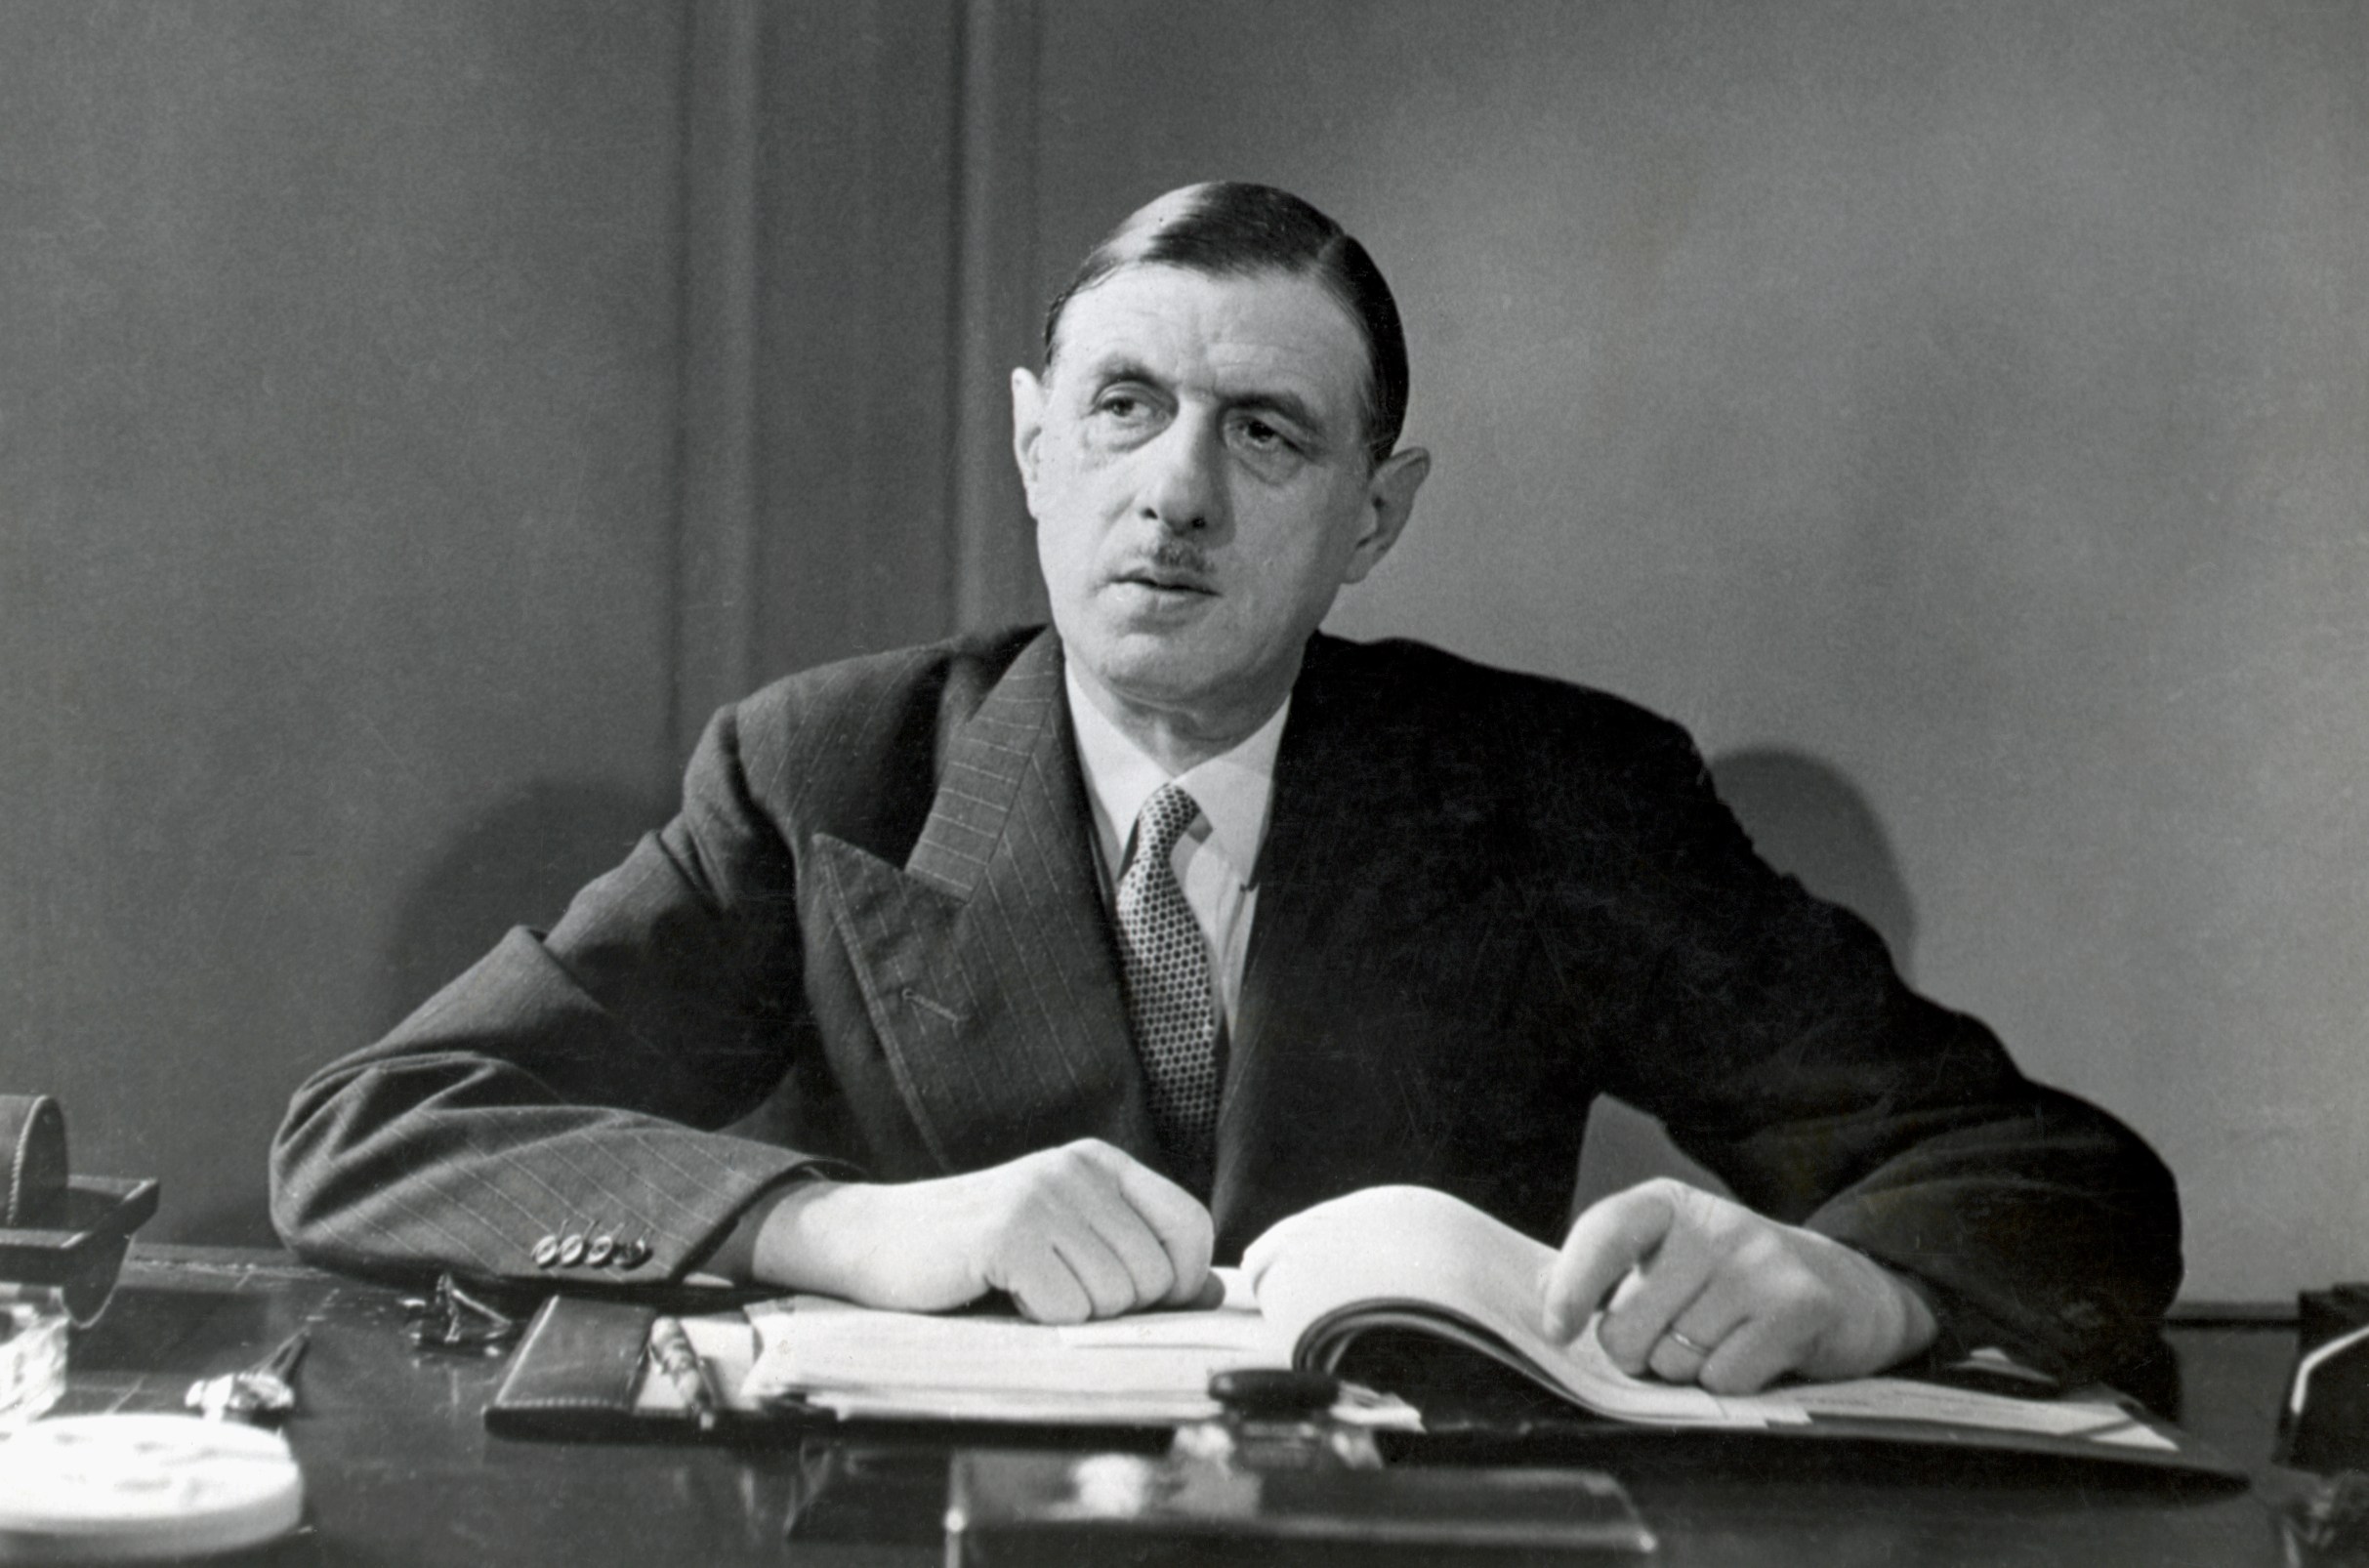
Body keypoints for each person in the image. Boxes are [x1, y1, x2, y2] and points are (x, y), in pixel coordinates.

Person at [270, 182, 2180, 1396]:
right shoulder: (823, 773)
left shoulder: (1555, 796)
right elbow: (380, 1130)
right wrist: (836, 1224)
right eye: (1121, 408)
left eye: (1263, 433)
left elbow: (2064, 1185)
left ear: (1373, 517)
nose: (1174, 489)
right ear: (1033, 448)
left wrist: (1853, 1287)